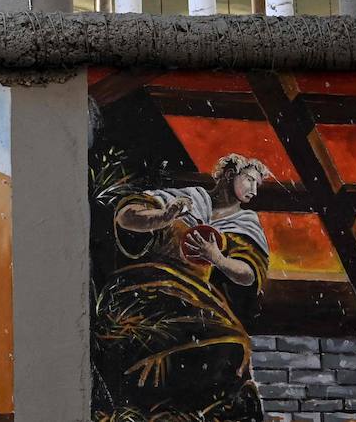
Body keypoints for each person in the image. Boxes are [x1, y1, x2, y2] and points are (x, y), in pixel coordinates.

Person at [93, 153, 273, 422]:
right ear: (229, 174)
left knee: (232, 342)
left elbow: (247, 274)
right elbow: (126, 217)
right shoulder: (188, 198)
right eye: (249, 180)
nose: (253, 189)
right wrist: (164, 216)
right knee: (143, 341)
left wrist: (217, 258)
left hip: (194, 297)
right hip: (146, 287)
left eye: (257, 184)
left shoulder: (244, 223)